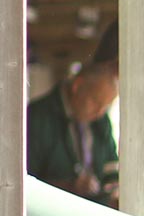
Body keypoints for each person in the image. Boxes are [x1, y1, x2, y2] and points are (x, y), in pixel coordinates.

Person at [27, 21, 120, 205]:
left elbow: (111, 168)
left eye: (105, 106)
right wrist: (70, 186)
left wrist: (115, 190)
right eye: (95, 102)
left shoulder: (100, 120)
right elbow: (23, 185)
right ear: (78, 86)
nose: (100, 112)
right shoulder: (36, 118)